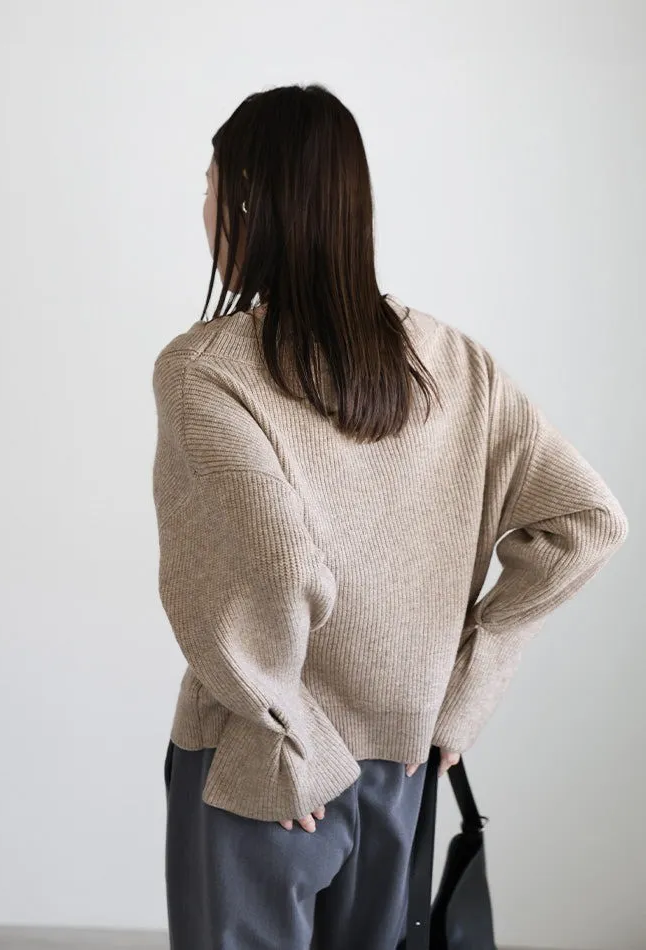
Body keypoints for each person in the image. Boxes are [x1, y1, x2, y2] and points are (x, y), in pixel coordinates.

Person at [151, 84, 628, 950]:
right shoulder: (457, 366)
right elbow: (587, 521)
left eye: (210, 188)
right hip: (400, 774)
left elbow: (276, 564)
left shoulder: (208, 369)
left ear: (252, 202)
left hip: (264, 769)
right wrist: (460, 695)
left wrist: (295, 737)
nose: (205, 213)